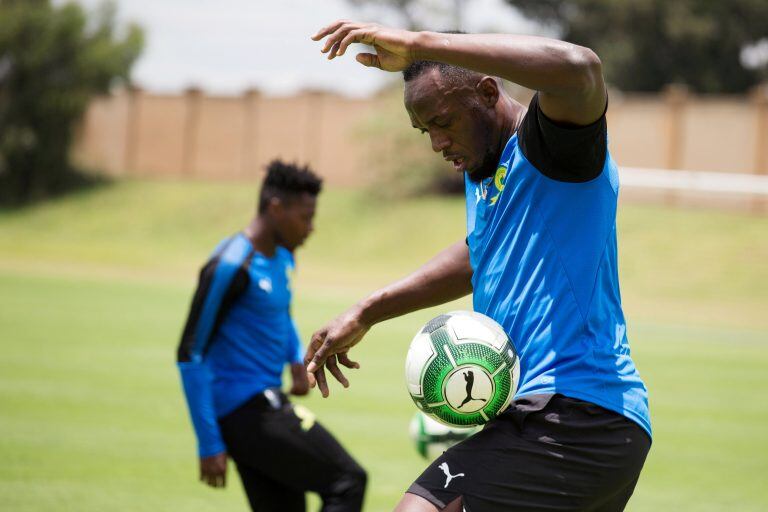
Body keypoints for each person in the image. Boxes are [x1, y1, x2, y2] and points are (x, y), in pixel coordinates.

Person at [305, 22, 651, 512]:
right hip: (570, 422)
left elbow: (581, 68)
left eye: (443, 121)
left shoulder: (553, 149)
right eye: (424, 130)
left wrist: (419, 44)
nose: (436, 143)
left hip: (573, 412)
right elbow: (478, 253)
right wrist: (369, 310)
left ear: (487, 92)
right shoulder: (485, 173)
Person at [176, 160, 367, 512]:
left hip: (263, 403)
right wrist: (208, 443)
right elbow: (190, 354)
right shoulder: (230, 266)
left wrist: (294, 358)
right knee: (348, 480)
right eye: (305, 217)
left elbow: (280, 311)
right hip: (245, 413)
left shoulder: (281, 256)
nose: (310, 228)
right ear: (276, 208)